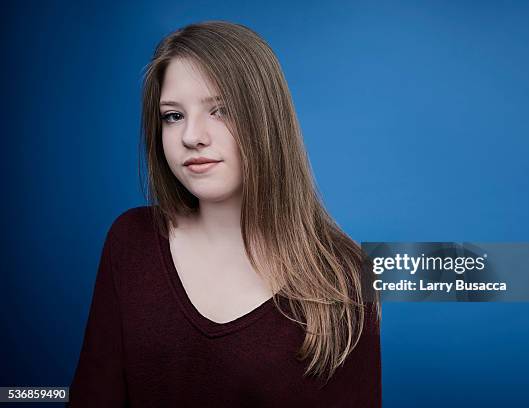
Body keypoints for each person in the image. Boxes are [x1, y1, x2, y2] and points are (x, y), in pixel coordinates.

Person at [68, 20, 382, 407]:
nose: (191, 136)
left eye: (220, 110)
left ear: (266, 120)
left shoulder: (346, 273)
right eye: (173, 116)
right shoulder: (130, 241)